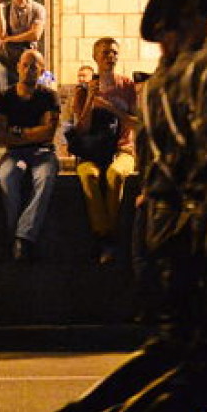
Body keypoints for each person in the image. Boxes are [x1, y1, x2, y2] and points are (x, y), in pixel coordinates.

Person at [71, 37, 138, 264]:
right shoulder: (83, 90)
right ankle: (107, 236)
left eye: (114, 53)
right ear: (95, 57)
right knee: (89, 176)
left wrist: (111, 108)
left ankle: (107, 239)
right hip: (92, 152)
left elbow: (135, 122)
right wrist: (91, 98)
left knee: (116, 175)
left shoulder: (127, 85)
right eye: (106, 53)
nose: (111, 57)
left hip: (123, 149)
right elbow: (81, 129)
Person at [0, 48, 60, 262]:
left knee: (45, 177)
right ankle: (19, 236)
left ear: (41, 71)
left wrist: (17, 132)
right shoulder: (4, 96)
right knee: (6, 177)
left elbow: (49, 132)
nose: (29, 69)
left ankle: (22, 237)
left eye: (34, 66)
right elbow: (1, 136)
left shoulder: (49, 96)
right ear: (18, 67)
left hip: (42, 153)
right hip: (14, 154)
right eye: (25, 64)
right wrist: (33, 133)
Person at [0, 0, 45, 86]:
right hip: (8, 61)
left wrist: (10, 39)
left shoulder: (37, 9)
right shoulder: (6, 9)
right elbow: (0, 33)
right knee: (5, 91)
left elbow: (35, 34)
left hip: (29, 61)